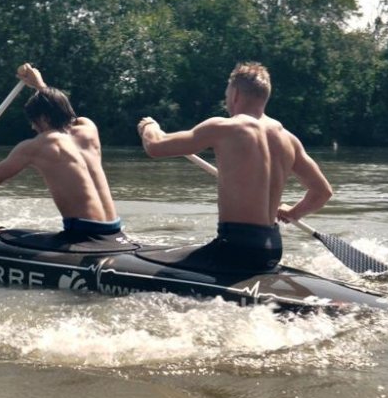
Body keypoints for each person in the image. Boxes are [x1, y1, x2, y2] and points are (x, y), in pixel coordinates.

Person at [136, 62, 333, 271]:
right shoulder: (288, 139)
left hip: (235, 249)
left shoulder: (224, 127)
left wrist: (150, 127)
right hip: (271, 248)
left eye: (226, 96)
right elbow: (322, 192)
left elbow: (156, 147)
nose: (227, 102)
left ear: (235, 94)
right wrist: (294, 213)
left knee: (146, 259)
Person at [0, 64, 121, 235]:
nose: (33, 127)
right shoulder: (89, 130)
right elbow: (66, 113)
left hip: (83, 235)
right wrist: (40, 85)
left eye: (34, 121)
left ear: (44, 118)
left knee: (1, 234)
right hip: (114, 230)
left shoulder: (39, 145)